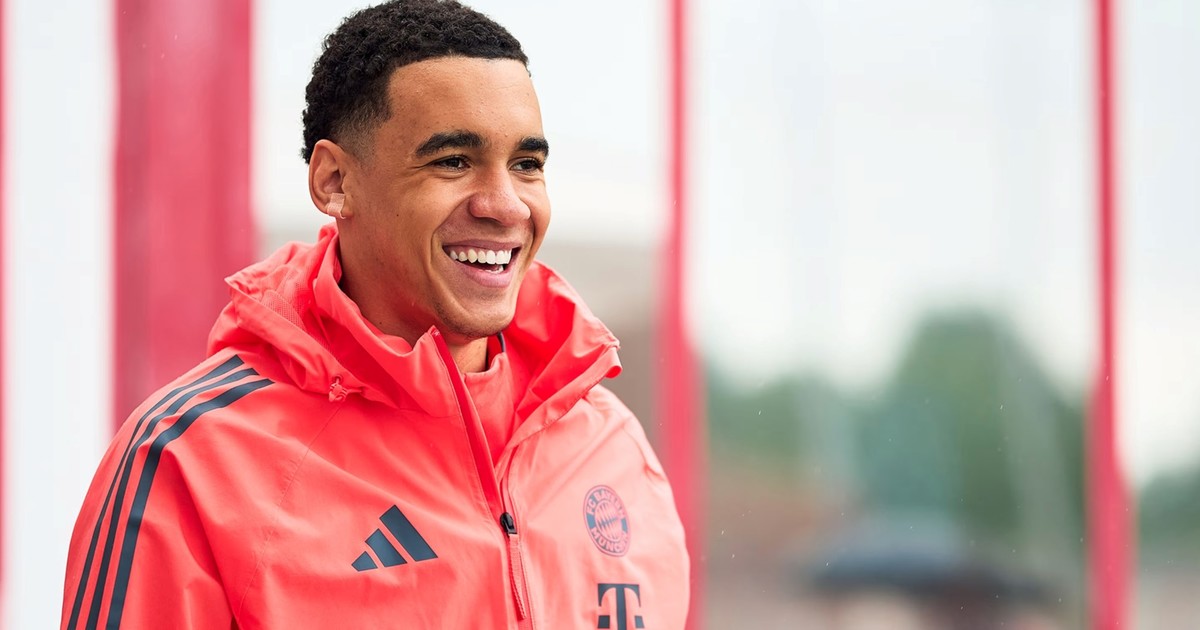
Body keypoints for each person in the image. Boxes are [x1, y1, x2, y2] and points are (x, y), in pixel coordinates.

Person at [60, 1, 690, 628]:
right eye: (452, 161)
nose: (505, 205)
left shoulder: (610, 445)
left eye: (527, 165)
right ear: (335, 181)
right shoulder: (190, 460)